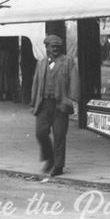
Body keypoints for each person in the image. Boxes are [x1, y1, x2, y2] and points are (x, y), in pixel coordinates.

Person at [30, 34, 79, 177]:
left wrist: (71, 101)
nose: (55, 50)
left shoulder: (68, 62)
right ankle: (50, 157)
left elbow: (75, 82)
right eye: (52, 47)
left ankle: (58, 166)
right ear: (46, 48)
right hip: (43, 103)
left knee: (59, 136)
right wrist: (33, 102)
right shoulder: (41, 63)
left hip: (60, 105)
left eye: (58, 47)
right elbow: (36, 83)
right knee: (40, 133)